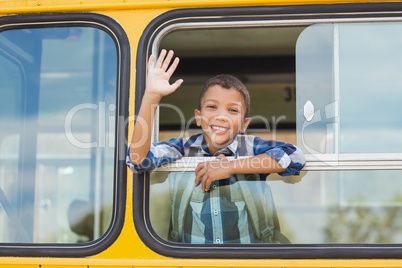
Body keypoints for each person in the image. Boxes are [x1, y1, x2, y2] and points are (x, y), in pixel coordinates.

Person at [126, 49, 306, 244]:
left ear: (244, 124)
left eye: (232, 110)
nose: (221, 116)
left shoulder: (251, 147)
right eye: (212, 107)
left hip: (248, 260)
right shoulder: (183, 148)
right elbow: (138, 160)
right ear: (198, 116)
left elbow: (295, 157)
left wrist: (230, 166)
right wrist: (151, 96)